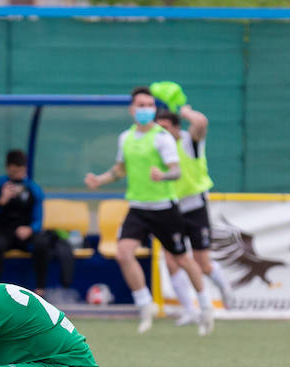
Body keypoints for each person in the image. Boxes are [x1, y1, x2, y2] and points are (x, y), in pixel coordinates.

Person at [84, 88, 214, 336]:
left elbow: (175, 171)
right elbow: (120, 169)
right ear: (132, 109)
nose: (145, 109)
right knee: (123, 253)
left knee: (182, 260)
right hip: (138, 208)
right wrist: (99, 180)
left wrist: (162, 175)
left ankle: (205, 307)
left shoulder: (162, 137)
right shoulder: (126, 138)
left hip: (165, 208)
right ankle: (145, 305)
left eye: (149, 105)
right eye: (141, 105)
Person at [157, 104, 235, 324]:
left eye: (164, 127)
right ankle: (190, 311)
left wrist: (186, 111)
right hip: (170, 207)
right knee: (171, 260)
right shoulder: (157, 146)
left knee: (202, 263)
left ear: (175, 128)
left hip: (194, 206)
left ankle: (224, 287)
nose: (160, 132)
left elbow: (201, 123)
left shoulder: (188, 141)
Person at [0, 149, 74, 296]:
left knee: (42, 243)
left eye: (21, 171)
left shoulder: (33, 188)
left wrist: (30, 229)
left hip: (24, 234)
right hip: (1, 232)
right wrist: (2, 201)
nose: (19, 176)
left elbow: (38, 220)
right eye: (15, 172)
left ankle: (40, 289)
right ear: (8, 168)